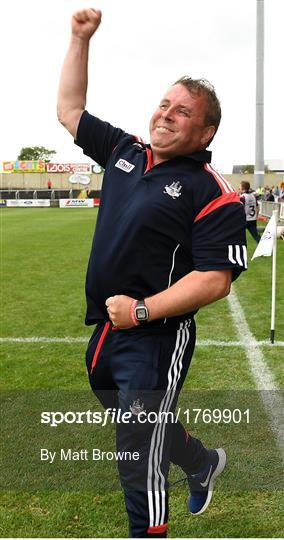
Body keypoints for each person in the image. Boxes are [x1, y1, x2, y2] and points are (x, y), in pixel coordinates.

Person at [57, 8, 247, 538]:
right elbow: (70, 108)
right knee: (135, 420)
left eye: (183, 111)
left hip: (155, 337)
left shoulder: (212, 192)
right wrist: (79, 39)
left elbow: (215, 279)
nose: (166, 114)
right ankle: (203, 461)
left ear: (206, 130)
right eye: (164, 103)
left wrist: (142, 311)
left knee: (138, 455)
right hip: (107, 330)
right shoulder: (123, 150)